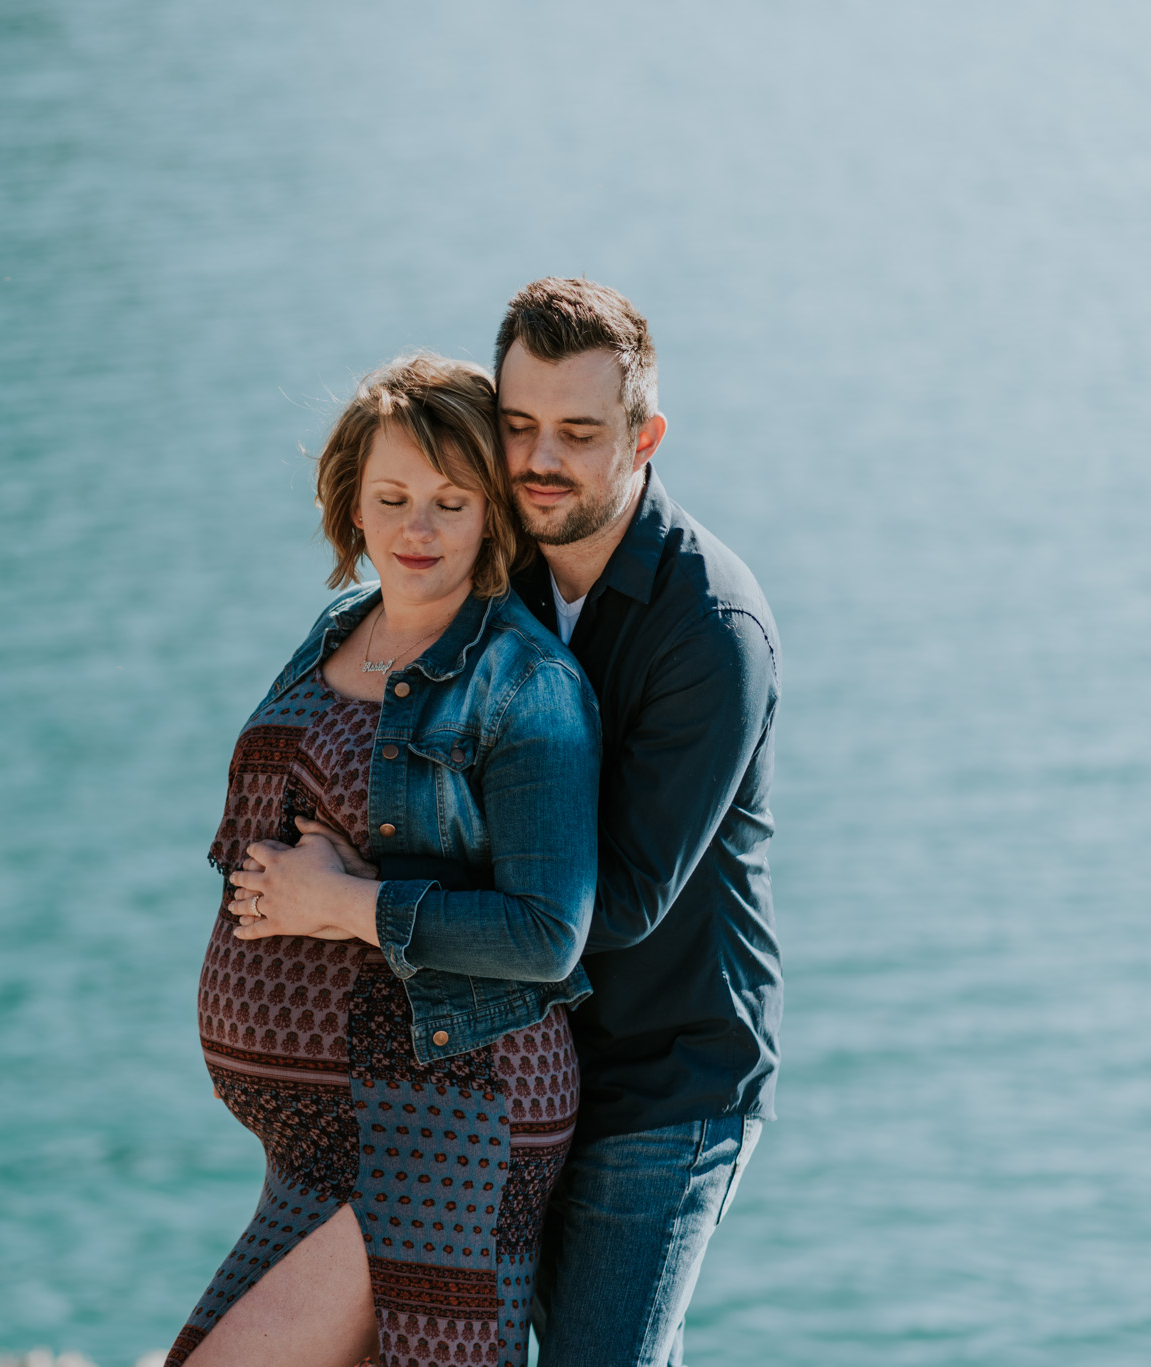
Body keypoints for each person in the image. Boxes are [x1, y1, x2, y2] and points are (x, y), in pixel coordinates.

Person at [167, 353, 603, 1367]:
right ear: (350, 507)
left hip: (450, 1108)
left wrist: (341, 904)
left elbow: (547, 932)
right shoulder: (337, 628)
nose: (417, 528)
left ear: (491, 515)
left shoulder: (523, 682)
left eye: (449, 502)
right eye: (393, 497)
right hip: (320, 1140)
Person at [495, 278, 782, 1367]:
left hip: (667, 1082)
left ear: (643, 436)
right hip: (523, 1061)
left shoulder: (710, 626)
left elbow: (609, 902)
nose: (538, 459)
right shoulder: (496, 566)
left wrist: (374, 908)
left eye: (576, 432)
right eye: (516, 425)